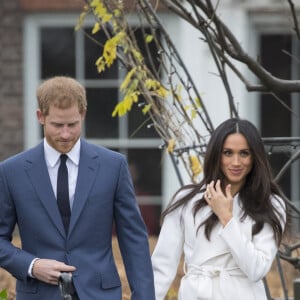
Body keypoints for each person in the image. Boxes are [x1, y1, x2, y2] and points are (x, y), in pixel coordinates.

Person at [0, 76, 155, 300]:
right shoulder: (11, 171)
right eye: (57, 125)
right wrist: (32, 265)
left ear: (82, 114)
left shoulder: (113, 166)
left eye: (72, 124)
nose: (65, 134)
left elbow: (134, 241)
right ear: (40, 117)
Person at [151, 118, 288, 300]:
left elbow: (257, 269)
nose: (236, 162)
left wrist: (226, 217)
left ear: (255, 157)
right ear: (216, 154)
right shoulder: (187, 200)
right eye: (228, 153)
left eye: (244, 153)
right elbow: (162, 267)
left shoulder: (270, 203)